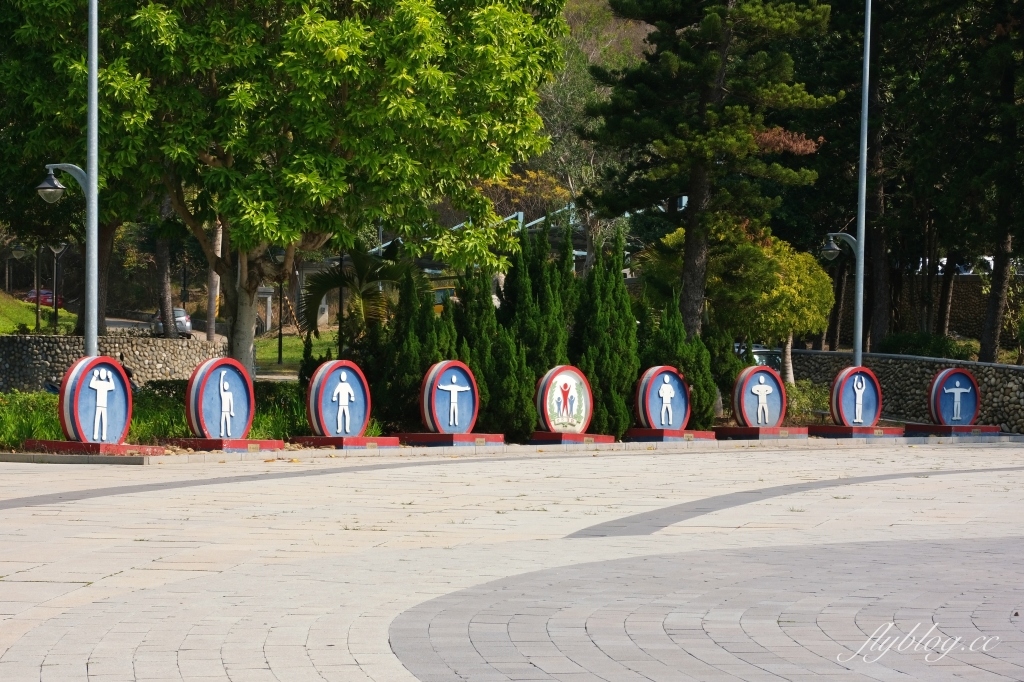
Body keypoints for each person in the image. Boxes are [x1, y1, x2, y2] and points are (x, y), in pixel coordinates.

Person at [89, 367, 116, 441]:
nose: (103, 375)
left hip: (104, 405)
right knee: (97, 420)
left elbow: (112, 386)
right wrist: (94, 376)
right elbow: (91, 384)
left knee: (104, 420)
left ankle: (104, 435)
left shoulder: (106, 384)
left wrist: (110, 378)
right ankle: (95, 434)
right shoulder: (98, 383)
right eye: (102, 373)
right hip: (98, 405)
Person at [219, 371, 235, 438]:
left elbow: (231, 402)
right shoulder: (222, 394)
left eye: (226, 385)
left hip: (228, 411)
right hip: (223, 411)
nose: (225, 386)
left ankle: (228, 432)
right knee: (222, 421)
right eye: (224, 385)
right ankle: (222, 432)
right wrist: (222, 376)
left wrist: (231, 411)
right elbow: (220, 386)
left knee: (228, 422)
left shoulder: (229, 394)